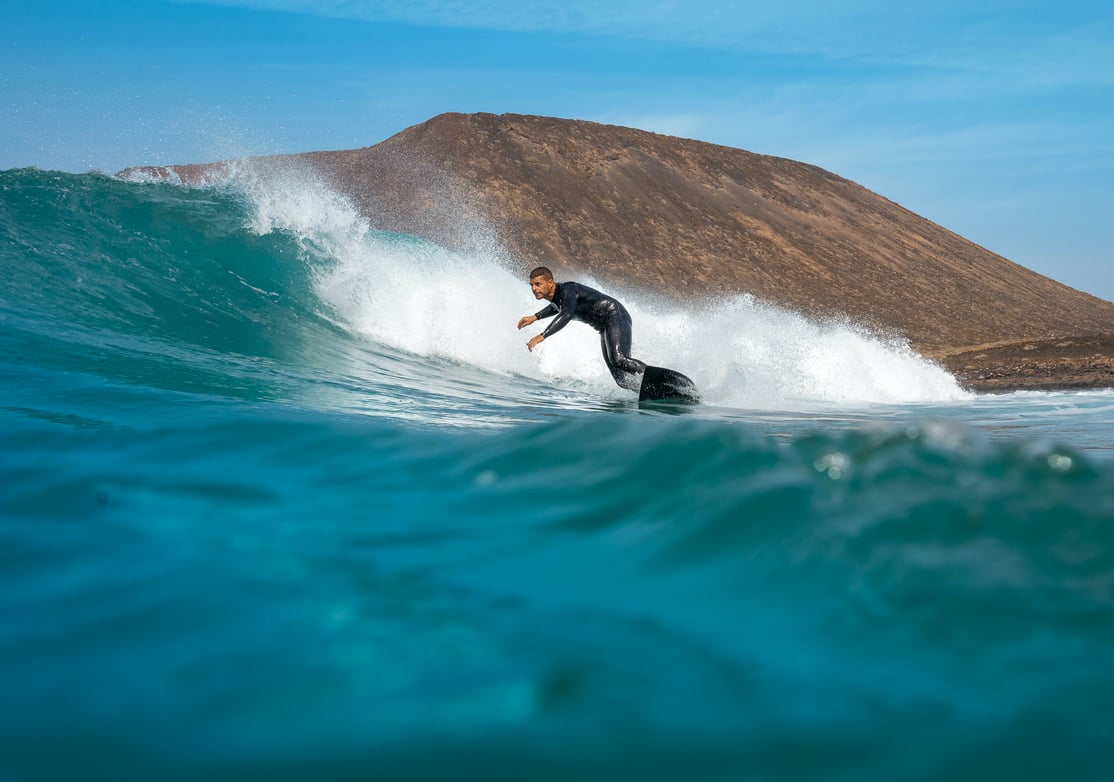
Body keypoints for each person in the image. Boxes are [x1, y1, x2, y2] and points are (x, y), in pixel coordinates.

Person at [517, 266, 647, 391]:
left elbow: (566, 314)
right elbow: (557, 307)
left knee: (619, 359)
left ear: (550, 283)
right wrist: (535, 317)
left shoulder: (568, 289)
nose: (534, 288)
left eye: (538, 284)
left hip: (615, 315)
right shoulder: (558, 299)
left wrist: (542, 335)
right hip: (604, 326)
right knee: (621, 380)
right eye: (531, 285)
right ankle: (647, 389)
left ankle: (655, 378)